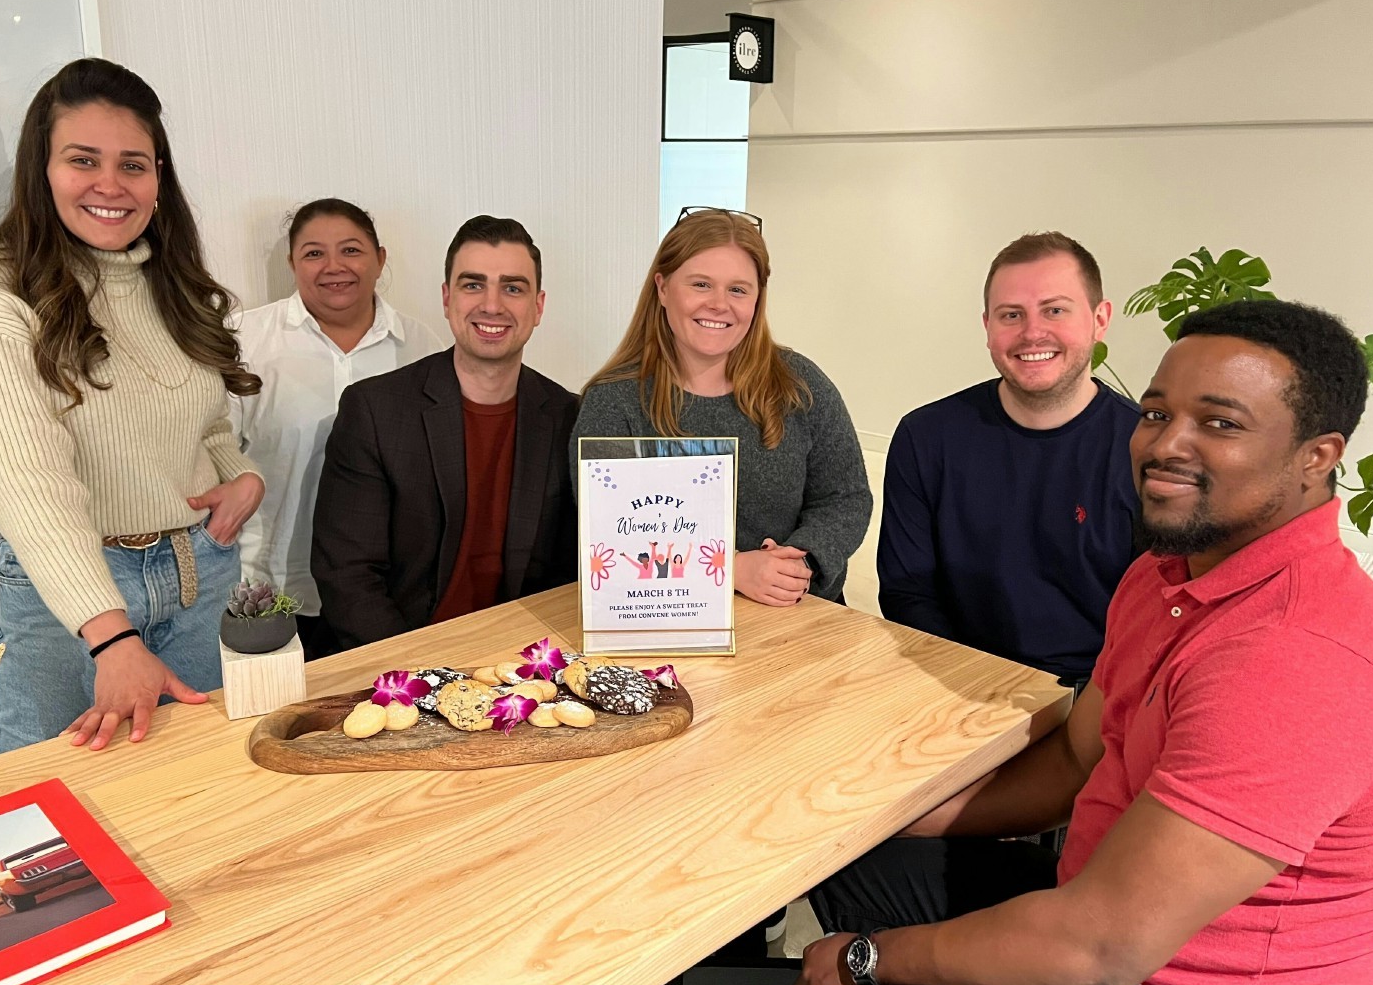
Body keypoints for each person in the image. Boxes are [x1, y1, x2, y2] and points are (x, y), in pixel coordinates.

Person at [751, 300, 1373, 985]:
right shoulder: (1161, 575)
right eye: (1154, 413)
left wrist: (868, 958)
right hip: (1085, 898)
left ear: (1318, 455)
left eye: (1220, 422)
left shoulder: (1300, 653)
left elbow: (1097, 947)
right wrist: (887, 818)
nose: (1167, 444)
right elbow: (1075, 759)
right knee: (842, 852)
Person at [0, 58, 265, 753]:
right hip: (74, 599)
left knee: (194, 794)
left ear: (158, 179)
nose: (110, 185)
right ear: (40, 170)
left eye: (133, 164)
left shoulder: (174, 285)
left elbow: (206, 415)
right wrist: (107, 632)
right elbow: (28, 485)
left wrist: (241, 473)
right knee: (52, 819)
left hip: (198, 570)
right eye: (83, 159)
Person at [877, 232, 1139, 683]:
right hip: (955, 681)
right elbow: (908, 593)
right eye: (1011, 315)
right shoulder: (925, 438)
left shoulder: (1146, 451)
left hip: (1097, 699)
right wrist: (975, 692)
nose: (1032, 332)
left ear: (1100, 319)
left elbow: (1156, 622)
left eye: (1055, 310)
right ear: (987, 326)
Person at [574, 208, 871, 606]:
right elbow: (607, 535)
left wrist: (797, 563)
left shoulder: (801, 385)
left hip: (795, 613)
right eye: (700, 284)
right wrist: (731, 569)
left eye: (738, 290)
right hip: (664, 618)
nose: (719, 304)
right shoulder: (613, 401)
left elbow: (845, 497)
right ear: (662, 288)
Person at [310, 215, 577, 650]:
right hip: (403, 666)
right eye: (474, 285)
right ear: (447, 297)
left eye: (513, 287)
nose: (492, 305)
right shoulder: (374, 411)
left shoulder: (568, 415)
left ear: (538, 306)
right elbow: (348, 576)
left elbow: (571, 571)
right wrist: (420, 677)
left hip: (521, 663)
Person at [233, 198, 444, 658]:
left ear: (380, 258)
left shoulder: (422, 347)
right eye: (313, 254)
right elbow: (213, 456)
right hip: (274, 592)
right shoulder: (244, 342)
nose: (334, 267)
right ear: (292, 263)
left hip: (386, 597)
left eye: (351, 250)